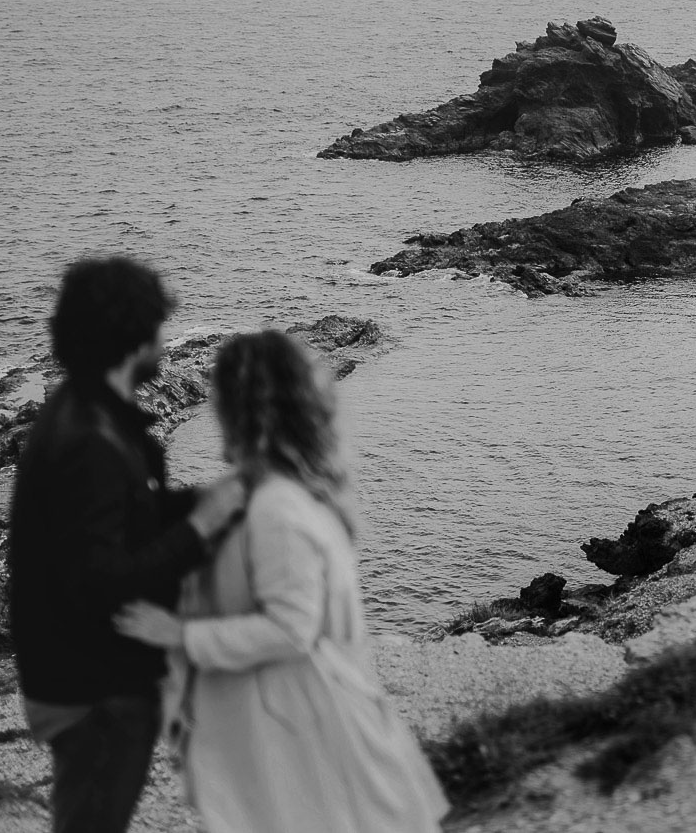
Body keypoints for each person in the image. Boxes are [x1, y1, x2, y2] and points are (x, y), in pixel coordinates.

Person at [114, 329, 448, 833]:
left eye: (217, 400)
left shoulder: (276, 510)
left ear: (242, 411)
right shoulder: (288, 495)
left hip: (302, 731)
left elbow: (292, 628)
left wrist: (179, 634)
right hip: (306, 719)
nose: (212, 413)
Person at [9, 256, 247, 833]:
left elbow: (125, 514)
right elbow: (103, 583)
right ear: (132, 336)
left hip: (82, 675)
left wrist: (204, 501)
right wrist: (201, 528)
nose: (164, 344)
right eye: (158, 328)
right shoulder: (90, 441)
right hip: (95, 690)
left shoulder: (89, 416)